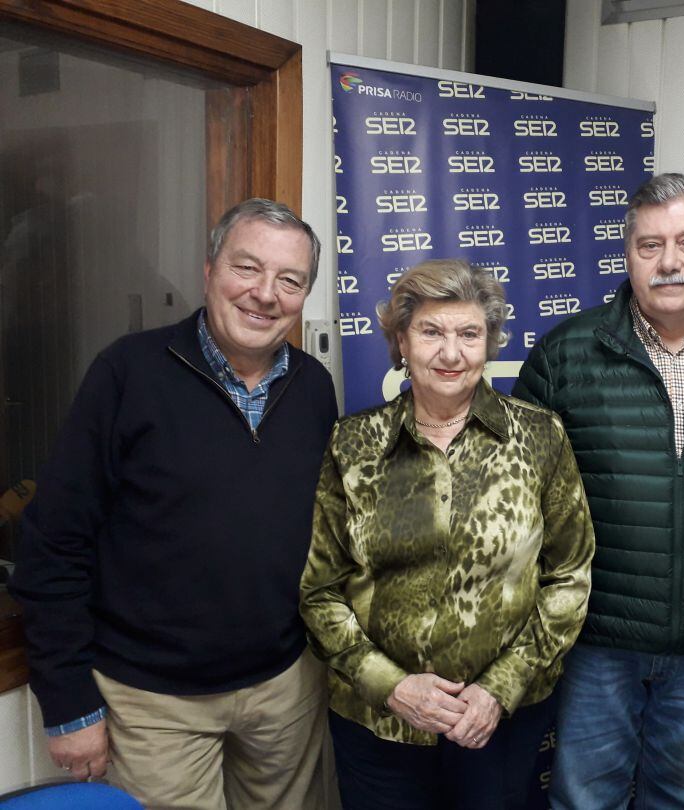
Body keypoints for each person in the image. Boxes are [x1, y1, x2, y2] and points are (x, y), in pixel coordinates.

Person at [10, 199, 338, 809]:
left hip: (284, 690)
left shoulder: (314, 387)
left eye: (289, 280)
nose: (265, 294)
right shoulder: (127, 374)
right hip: (154, 701)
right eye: (247, 268)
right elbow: (54, 542)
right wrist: (68, 700)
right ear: (209, 269)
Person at [513, 173, 684, 809]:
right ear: (628, 256)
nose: (669, 262)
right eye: (649, 245)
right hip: (596, 641)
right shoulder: (567, 352)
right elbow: (520, 499)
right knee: (585, 798)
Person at [299, 259, 594, 810]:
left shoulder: (540, 437)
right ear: (401, 343)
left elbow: (569, 580)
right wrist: (391, 686)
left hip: (498, 725)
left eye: (469, 334)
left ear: (490, 342)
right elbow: (320, 592)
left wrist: (497, 689)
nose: (451, 353)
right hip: (378, 726)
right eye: (431, 332)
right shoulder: (353, 444)